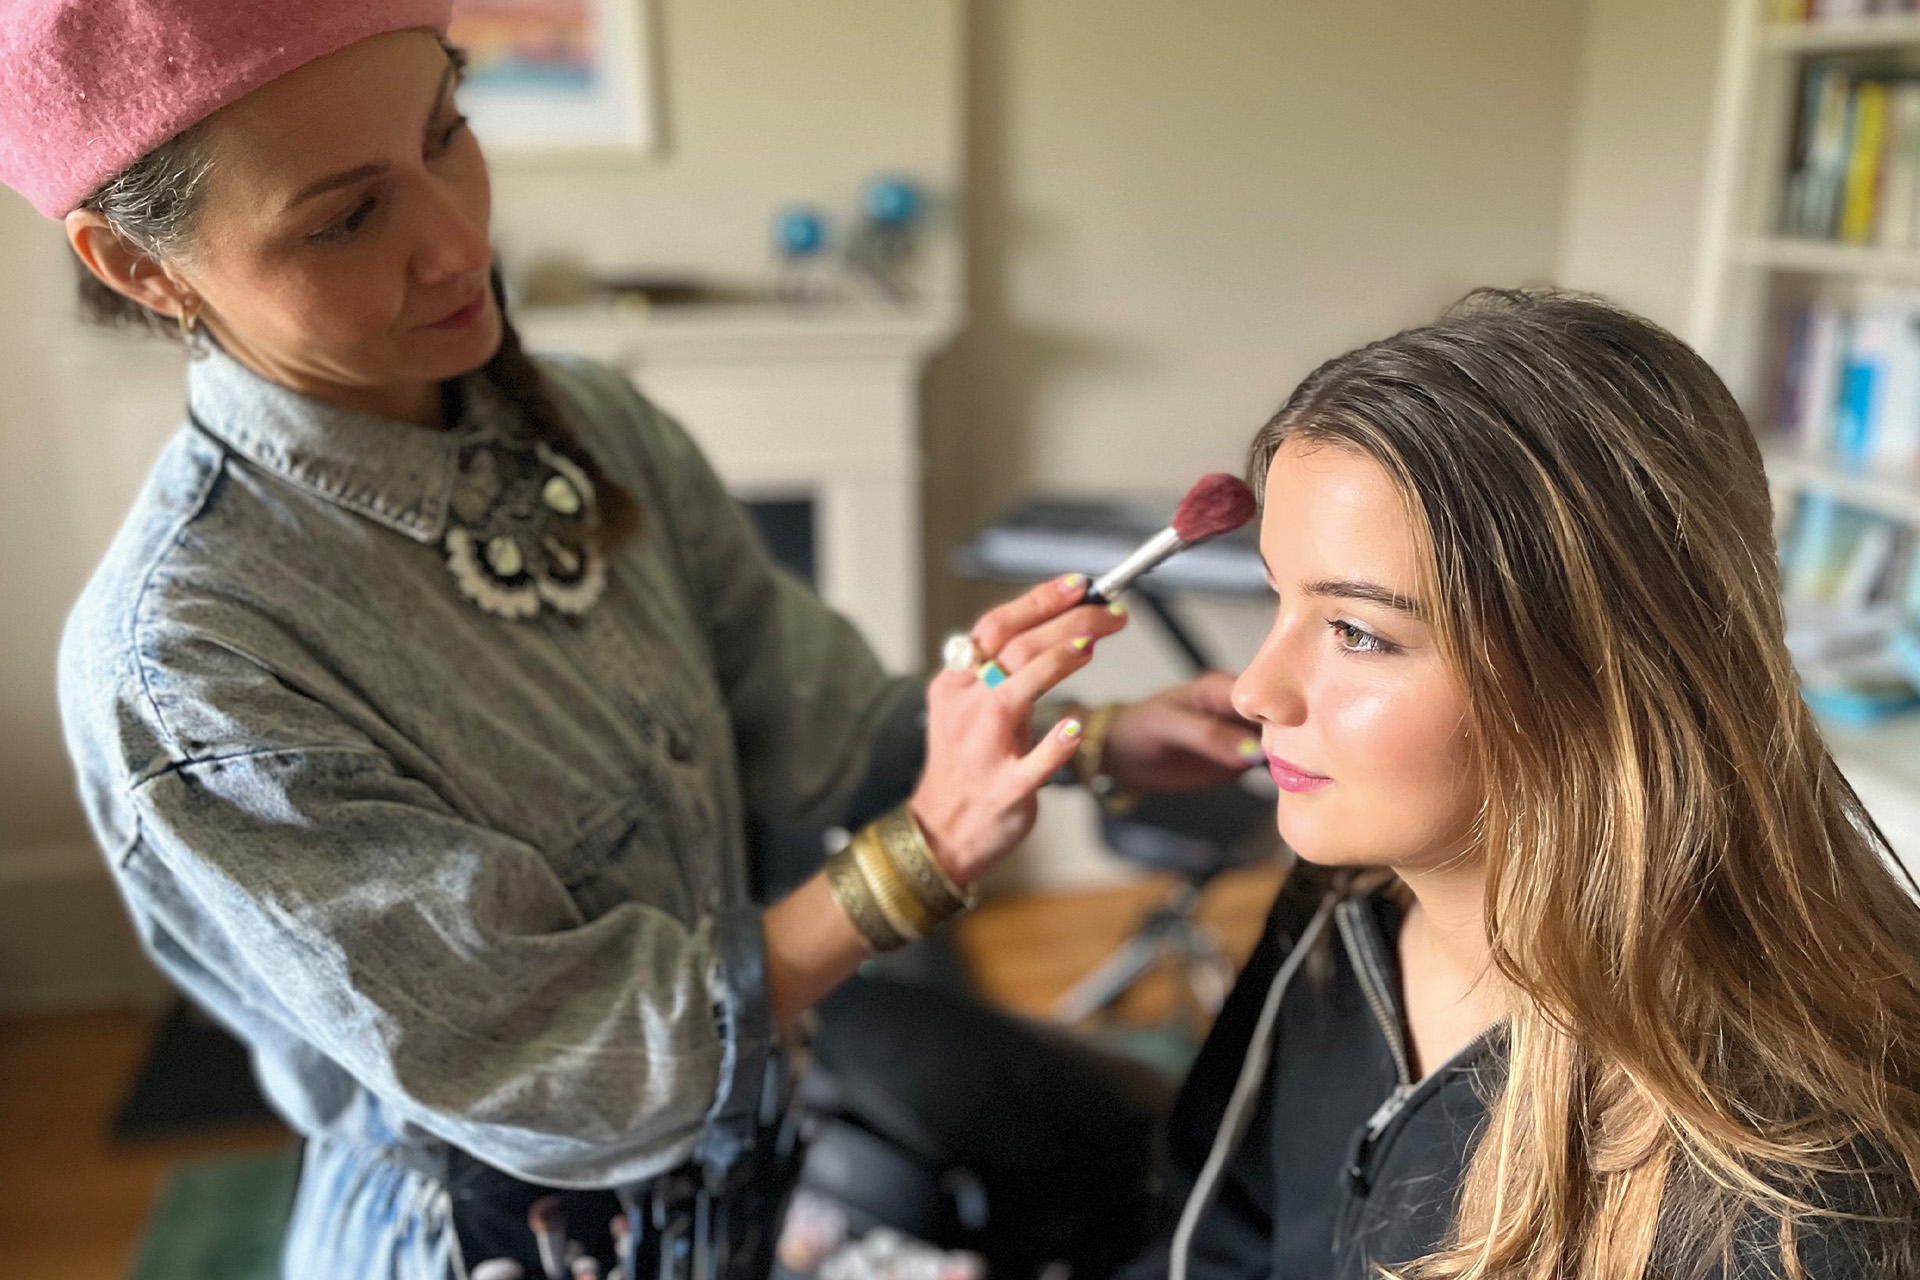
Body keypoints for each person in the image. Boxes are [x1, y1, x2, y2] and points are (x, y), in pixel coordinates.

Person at [0, 4, 1261, 1277]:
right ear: (137, 264)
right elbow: (569, 1053)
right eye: (344, 217)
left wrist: (1096, 736)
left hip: (737, 1188)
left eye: (448, 134)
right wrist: (920, 855)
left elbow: (815, 718)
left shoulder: (596, 423)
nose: (455, 243)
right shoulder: (187, 662)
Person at [1120, 289, 1920, 1280]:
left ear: (1602, 684)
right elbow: (1213, 1233)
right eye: (1279, 596)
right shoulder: (1340, 909)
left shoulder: (1803, 1216)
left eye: (1358, 631)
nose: (1255, 688)